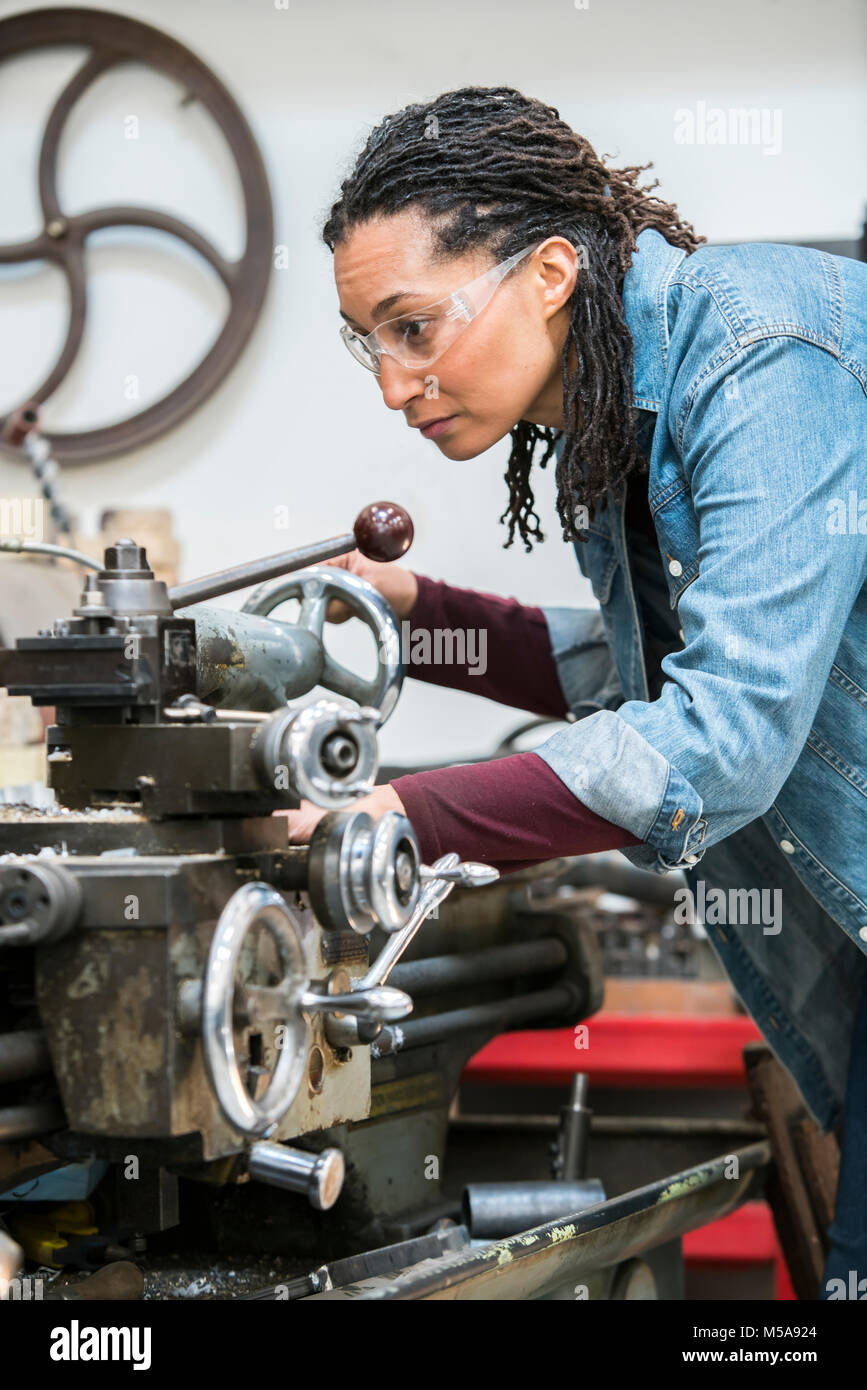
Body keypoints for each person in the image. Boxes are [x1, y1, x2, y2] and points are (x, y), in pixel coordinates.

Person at [283, 86, 867, 1296]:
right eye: (369, 342)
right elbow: (633, 670)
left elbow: (730, 732)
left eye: (412, 326)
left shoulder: (760, 359)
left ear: (549, 268)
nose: (394, 385)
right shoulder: (615, 405)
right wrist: (427, 622)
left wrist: (411, 815)